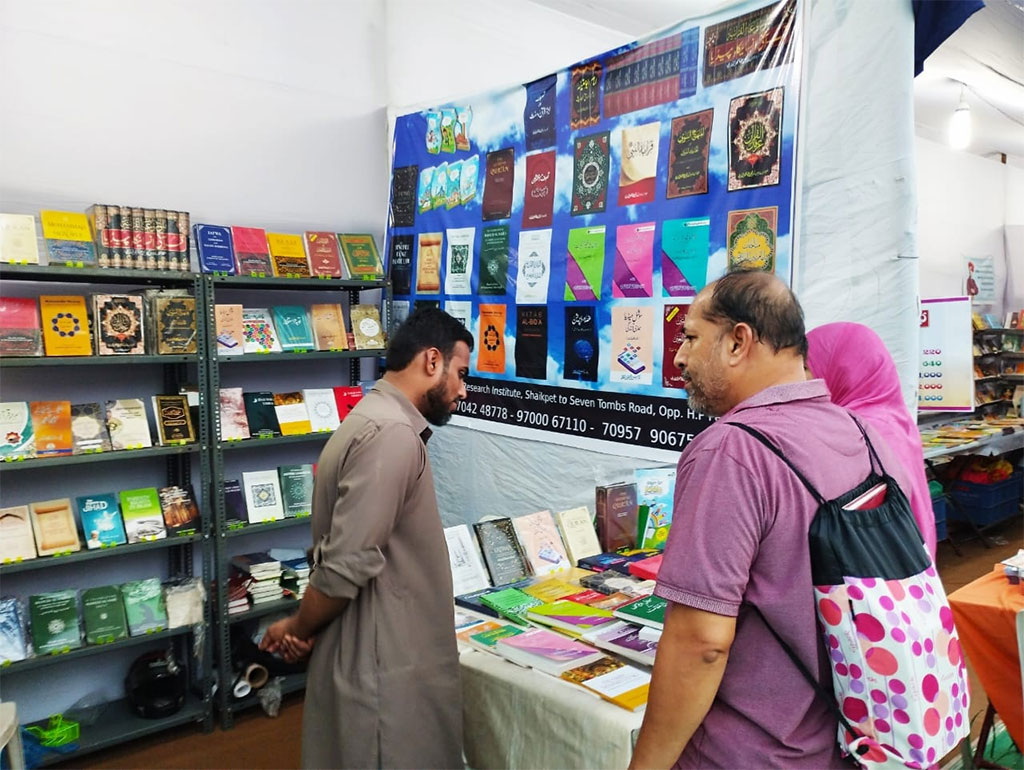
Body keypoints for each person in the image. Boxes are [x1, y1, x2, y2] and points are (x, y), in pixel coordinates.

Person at [629, 271, 910, 769]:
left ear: (738, 341)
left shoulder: (730, 450)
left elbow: (702, 644)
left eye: (691, 337)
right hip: (853, 740)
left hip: (748, 752)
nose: (679, 358)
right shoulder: (864, 434)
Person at [260, 307, 473, 769]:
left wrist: (302, 626)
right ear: (431, 361)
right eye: (460, 373)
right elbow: (346, 564)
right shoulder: (391, 435)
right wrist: (299, 627)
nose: (462, 389)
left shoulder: (373, 419)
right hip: (384, 663)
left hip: (374, 648)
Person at [806, 322, 937, 559]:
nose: (804, 380)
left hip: (878, 575)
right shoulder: (893, 417)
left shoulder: (855, 430)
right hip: (910, 567)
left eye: (807, 368)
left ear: (838, 370)